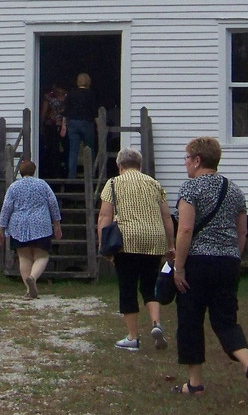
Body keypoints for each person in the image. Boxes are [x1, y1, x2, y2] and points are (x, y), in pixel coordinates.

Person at [171, 136, 248, 401]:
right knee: (226, 321)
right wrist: (232, 255)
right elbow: (243, 231)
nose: (185, 164)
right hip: (228, 263)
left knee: (190, 321)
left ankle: (195, 383)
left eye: (187, 158)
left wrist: (178, 267)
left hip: (197, 264)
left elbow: (186, 229)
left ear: (198, 160)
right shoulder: (236, 191)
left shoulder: (190, 189)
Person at [97, 146, 175, 351]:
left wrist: (103, 245)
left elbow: (105, 216)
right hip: (154, 239)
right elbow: (166, 216)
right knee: (149, 287)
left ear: (120, 166)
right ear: (140, 165)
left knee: (128, 288)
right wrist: (171, 244)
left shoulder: (113, 183)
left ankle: (132, 337)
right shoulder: (154, 184)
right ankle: (156, 324)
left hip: (127, 240)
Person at [0, 160, 63, 299]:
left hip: (19, 225)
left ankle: (28, 290)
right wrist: (56, 224)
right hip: (40, 224)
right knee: (42, 256)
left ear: (20, 172)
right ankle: (33, 277)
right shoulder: (42, 185)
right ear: (34, 171)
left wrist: (0, 229)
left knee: (24, 257)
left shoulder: (14, 187)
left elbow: (6, 208)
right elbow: (53, 204)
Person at [60, 72, 97, 179]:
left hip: (72, 123)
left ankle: (71, 176)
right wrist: (99, 126)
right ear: (88, 82)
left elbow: (65, 111)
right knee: (89, 148)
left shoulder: (71, 94)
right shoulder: (91, 94)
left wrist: (63, 125)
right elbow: (94, 111)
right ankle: (90, 174)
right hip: (86, 122)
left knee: (73, 150)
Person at [39, 81, 67, 178]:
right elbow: (44, 111)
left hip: (58, 125)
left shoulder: (49, 97)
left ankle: (57, 172)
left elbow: (44, 111)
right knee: (55, 149)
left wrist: (42, 124)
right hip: (54, 126)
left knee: (55, 149)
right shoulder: (65, 97)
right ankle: (55, 172)